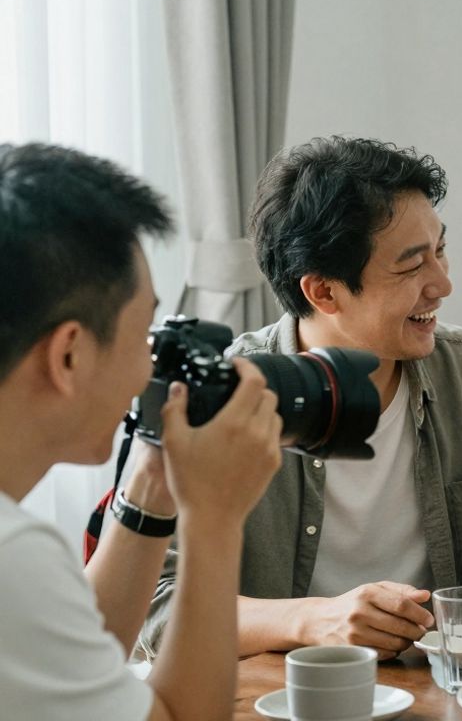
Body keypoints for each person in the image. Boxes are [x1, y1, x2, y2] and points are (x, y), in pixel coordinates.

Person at [139, 136, 462, 660]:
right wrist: (314, 619)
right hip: (280, 698)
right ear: (324, 291)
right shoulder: (221, 398)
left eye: (442, 250)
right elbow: (153, 607)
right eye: (411, 266)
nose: (443, 284)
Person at [0, 143, 283, 719]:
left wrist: (156, 484)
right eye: (142, 333)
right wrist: (214, 518)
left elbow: (82, 665)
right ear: (70, 355)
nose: (148, 369)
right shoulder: (16, 558)